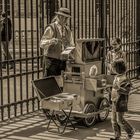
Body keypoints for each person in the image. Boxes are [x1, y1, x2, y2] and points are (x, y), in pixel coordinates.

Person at [40, 7, 75, 77]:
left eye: (67, 18)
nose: (65, 20)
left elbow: (72, 44)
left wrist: (70, 51)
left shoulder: (68, 30)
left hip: (63, 61)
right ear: (58, 16)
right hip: (51, 61)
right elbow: (42, 43)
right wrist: (51, 41)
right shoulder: (51, 28)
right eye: (63, 17)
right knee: (50, 83)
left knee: (61, 83)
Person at [110, 59, 135, 140]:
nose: (112, 69)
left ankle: (130, 131)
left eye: (113, 67)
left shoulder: (125, 79)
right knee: (113, 120)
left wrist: (119, 89)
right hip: (114, 101)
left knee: (119, 120)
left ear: (117, 68)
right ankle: (117, 136)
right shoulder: (116, 77)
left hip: (121, 102)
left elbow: (127, 91)